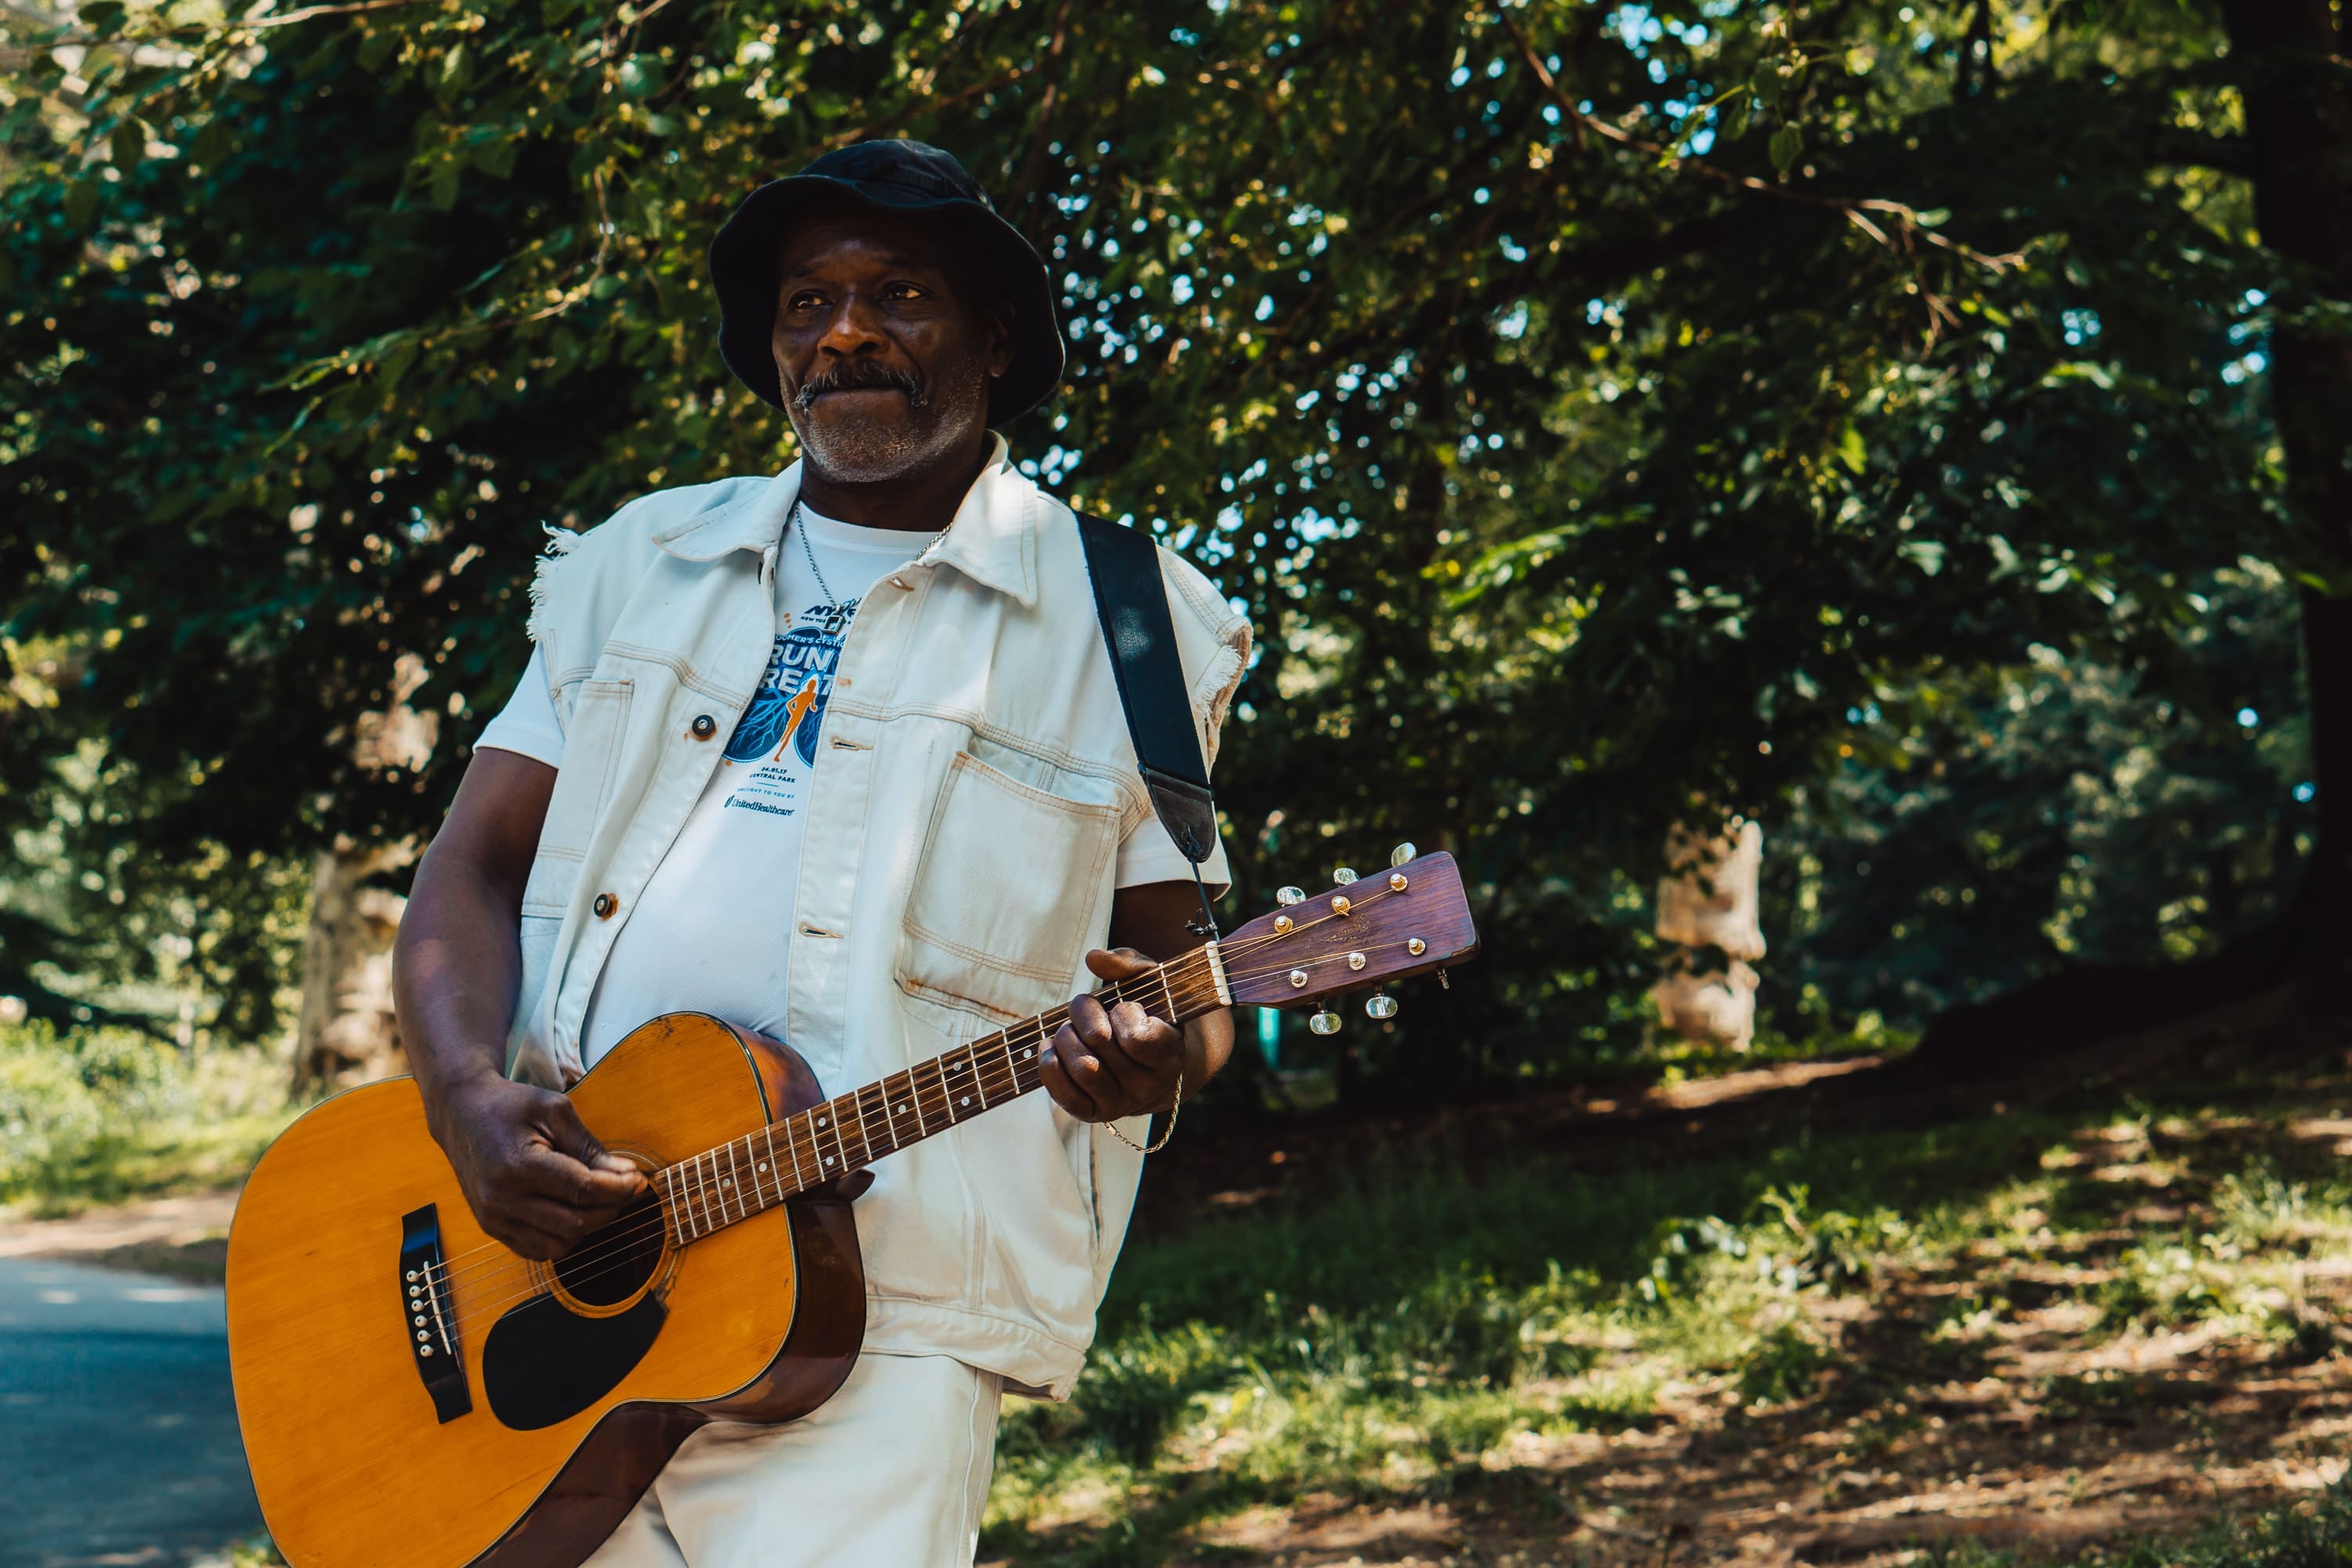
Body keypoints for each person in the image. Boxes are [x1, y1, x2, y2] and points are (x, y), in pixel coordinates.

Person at [390, 138, 1247, 1566]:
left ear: (996, 335)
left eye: (899, 290)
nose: (844, 330)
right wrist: (466, 1102)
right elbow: (469, 869)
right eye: (806, 302)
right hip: (557, 1270)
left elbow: (1187, 979)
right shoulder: (634, 563)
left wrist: (1158, 1063)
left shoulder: (1132, 620)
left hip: (889, 1320)